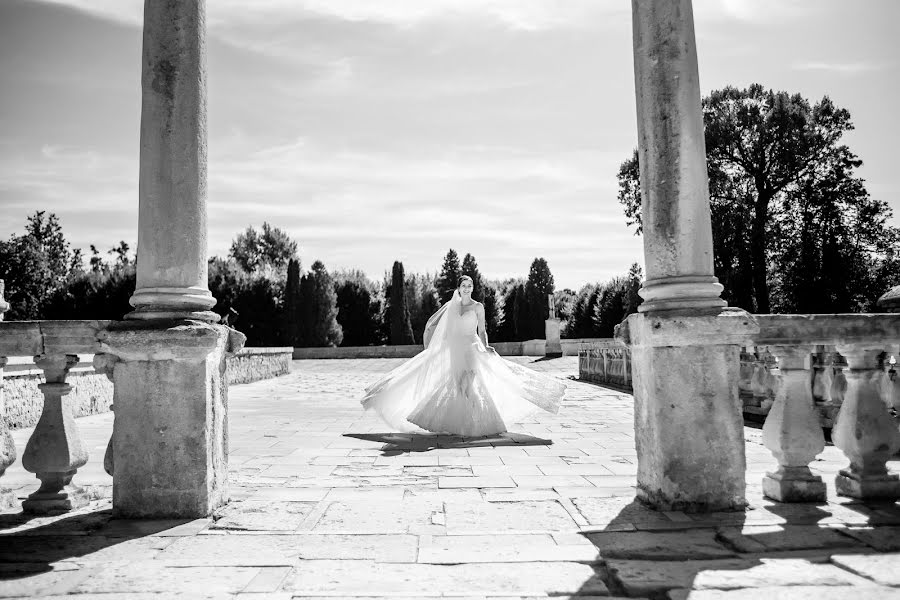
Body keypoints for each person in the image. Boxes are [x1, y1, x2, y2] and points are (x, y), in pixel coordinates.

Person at [361, 276, 565, 436]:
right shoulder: (452, 307)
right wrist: (436, 348)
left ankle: (480, 422)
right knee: (458, 386)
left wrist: (486, 346)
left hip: (471, 346)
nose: (467, 288)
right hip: (455, 349)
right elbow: (438, 327)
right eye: (464, 285)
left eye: (470, 285)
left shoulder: (478, 306)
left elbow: (483, 331)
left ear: (472, 288)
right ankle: (465, 423)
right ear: (458, 288)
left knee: (471, 382)